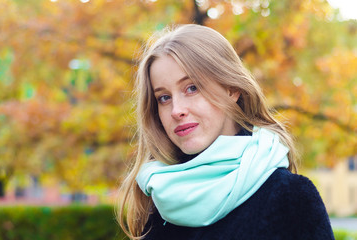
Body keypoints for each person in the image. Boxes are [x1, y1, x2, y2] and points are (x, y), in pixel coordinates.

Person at [117, 24, 334, 240]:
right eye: (164, 97)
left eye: (192, 87)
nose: (176, 110)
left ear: (231, 88)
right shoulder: (162, 201)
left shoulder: (290, 197)